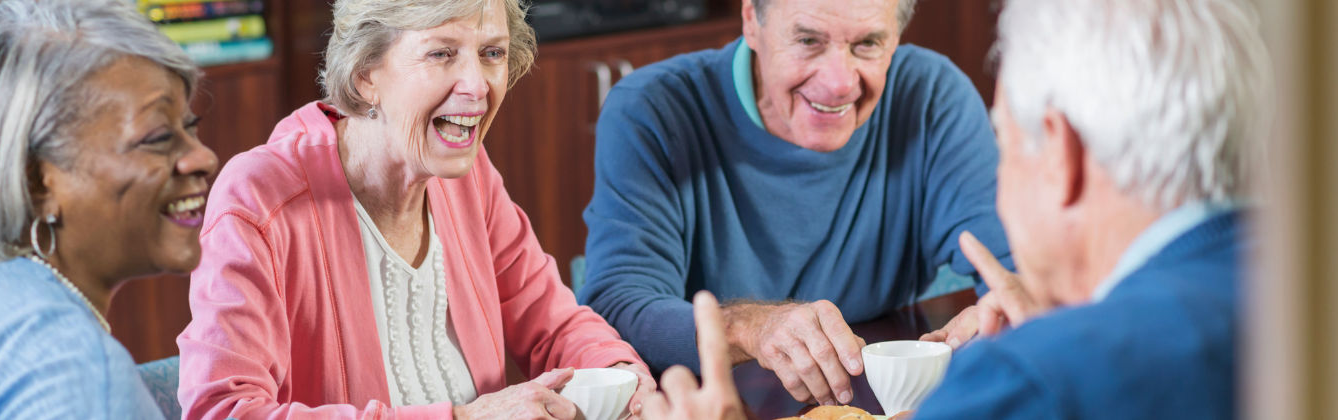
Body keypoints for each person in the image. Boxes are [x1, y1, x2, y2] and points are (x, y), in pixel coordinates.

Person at [640, 0, 1268, 418]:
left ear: (1061, 156)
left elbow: (1006, 272)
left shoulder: (1022, 383)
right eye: (808, 40)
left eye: (1006, 139)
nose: (839, 83)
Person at [176, 0, 655, 418]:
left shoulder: (470, 176)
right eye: (441, 53)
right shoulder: (258, 201)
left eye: (492, 53)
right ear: (366, 75)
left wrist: (623, 378)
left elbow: (553, 323)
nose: (478, 86)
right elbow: (223, 412)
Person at [579, 0, 1012, 406]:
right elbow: (617, 303)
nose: (840, 82)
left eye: (868, 44)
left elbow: (1013, 265)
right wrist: (750, 327)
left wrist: (1010, 307)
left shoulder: (933, 96)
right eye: (808, 41)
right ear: (752, 20)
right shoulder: (652, 107)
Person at [0, 0, 216, 418]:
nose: (204, 157)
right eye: (159, 136)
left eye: (189, 127)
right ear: (35, 180)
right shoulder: (77, 370)